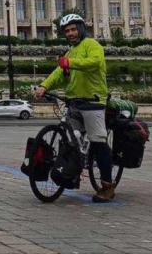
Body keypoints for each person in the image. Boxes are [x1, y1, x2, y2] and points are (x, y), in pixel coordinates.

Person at [33, 13, 115, 203]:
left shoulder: (92, 45)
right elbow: (58, 74)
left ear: (81, 28)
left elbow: (94, 63)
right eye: (67, 31)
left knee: (98, 142)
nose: (70, 33)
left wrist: (70, 63)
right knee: (70, 140)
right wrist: (44, 86)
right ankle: (72, 174)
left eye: (73, 29)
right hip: (74, 103)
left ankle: (107, 186)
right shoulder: (69, 52)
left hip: (93, 101)